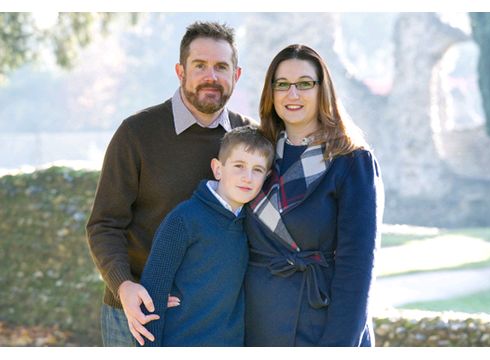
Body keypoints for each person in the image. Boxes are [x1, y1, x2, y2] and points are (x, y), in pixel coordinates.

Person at [86, 21, 253, 346]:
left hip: (216, 320)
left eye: (221, 66)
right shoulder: (136, 134)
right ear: (180, 71)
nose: (211, 76)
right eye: (200, 65)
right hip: (137, 313)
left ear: (237, 74)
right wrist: (124, 286)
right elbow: (104, 225)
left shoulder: (251, 141)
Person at [244, 44, 384, 346]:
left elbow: (357, 270)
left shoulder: (352, 161)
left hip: (319, 326)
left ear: (323, 90)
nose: (292, 95)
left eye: (305, 84)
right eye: (282, 85)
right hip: (255, 327)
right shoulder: (256, 155)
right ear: (271, 92)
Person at [139, 126, 273, 346]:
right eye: (239, 166)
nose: (247, 177)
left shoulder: (253, 225)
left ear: (266, 177)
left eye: (257, 170)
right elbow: (152, 295)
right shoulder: (183, 219)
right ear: (218, 169)